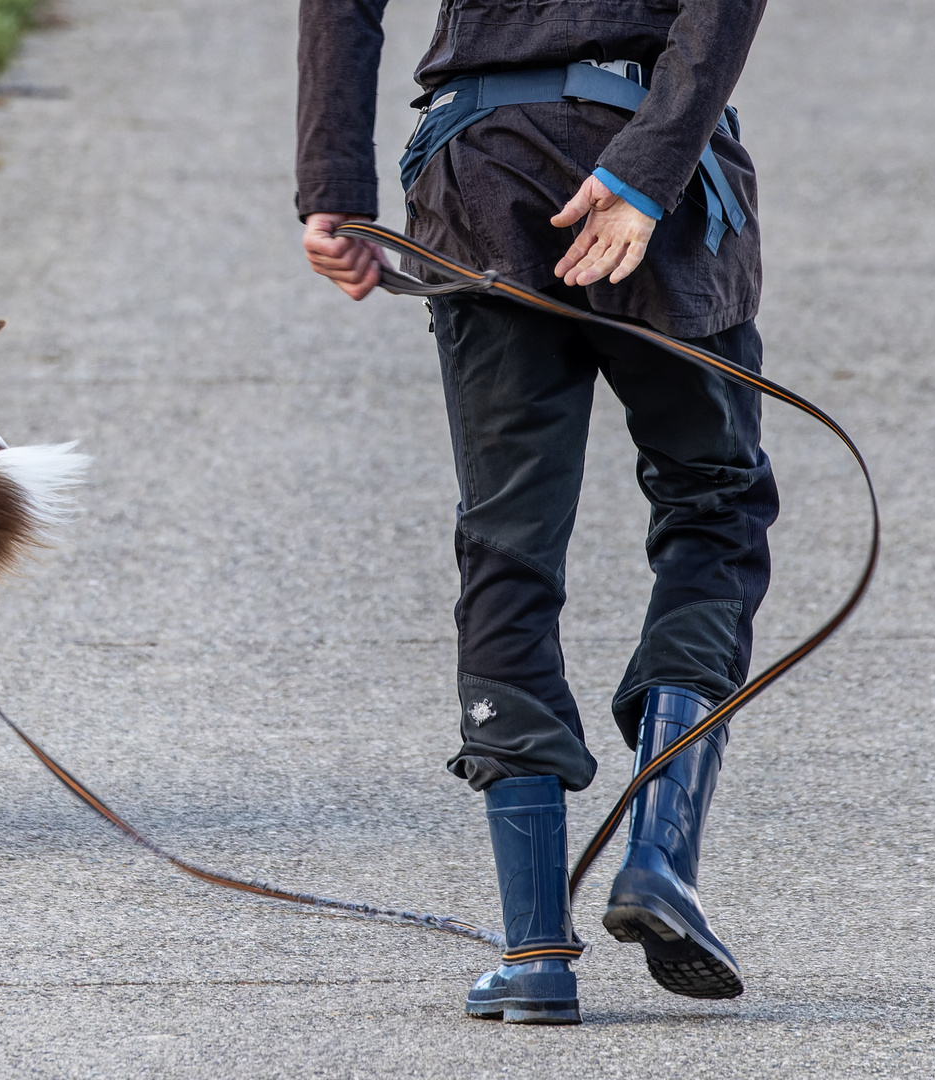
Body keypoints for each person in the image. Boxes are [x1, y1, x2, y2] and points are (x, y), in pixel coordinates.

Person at [296, 0, 776, 1023]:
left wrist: (331, 185)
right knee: (715, 509)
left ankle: (535, 952)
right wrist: (646, 169)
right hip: (664, 170)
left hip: (482, 170)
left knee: (506, 544)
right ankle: (659, 854)